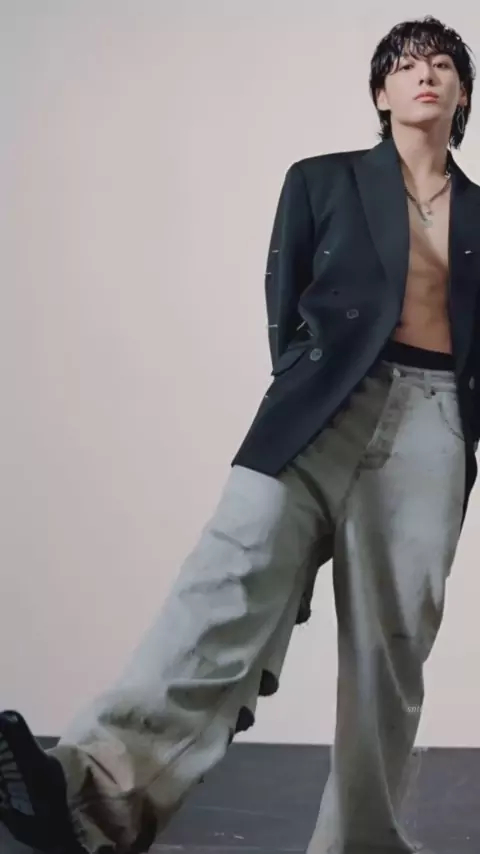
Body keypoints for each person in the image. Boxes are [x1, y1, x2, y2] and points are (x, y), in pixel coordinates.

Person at [1, 14, 479, 854]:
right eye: (406, 65)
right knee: (221, 588)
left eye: (442, 64)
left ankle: (359, 842)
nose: (425, 74)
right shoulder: (322, 180)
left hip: (434, 423)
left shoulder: (476, 210)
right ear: (381, 92)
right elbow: (283, 298)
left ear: (464, 95)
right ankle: (85, 797)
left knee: (392, 647)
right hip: (321, 406)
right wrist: (302, 382)